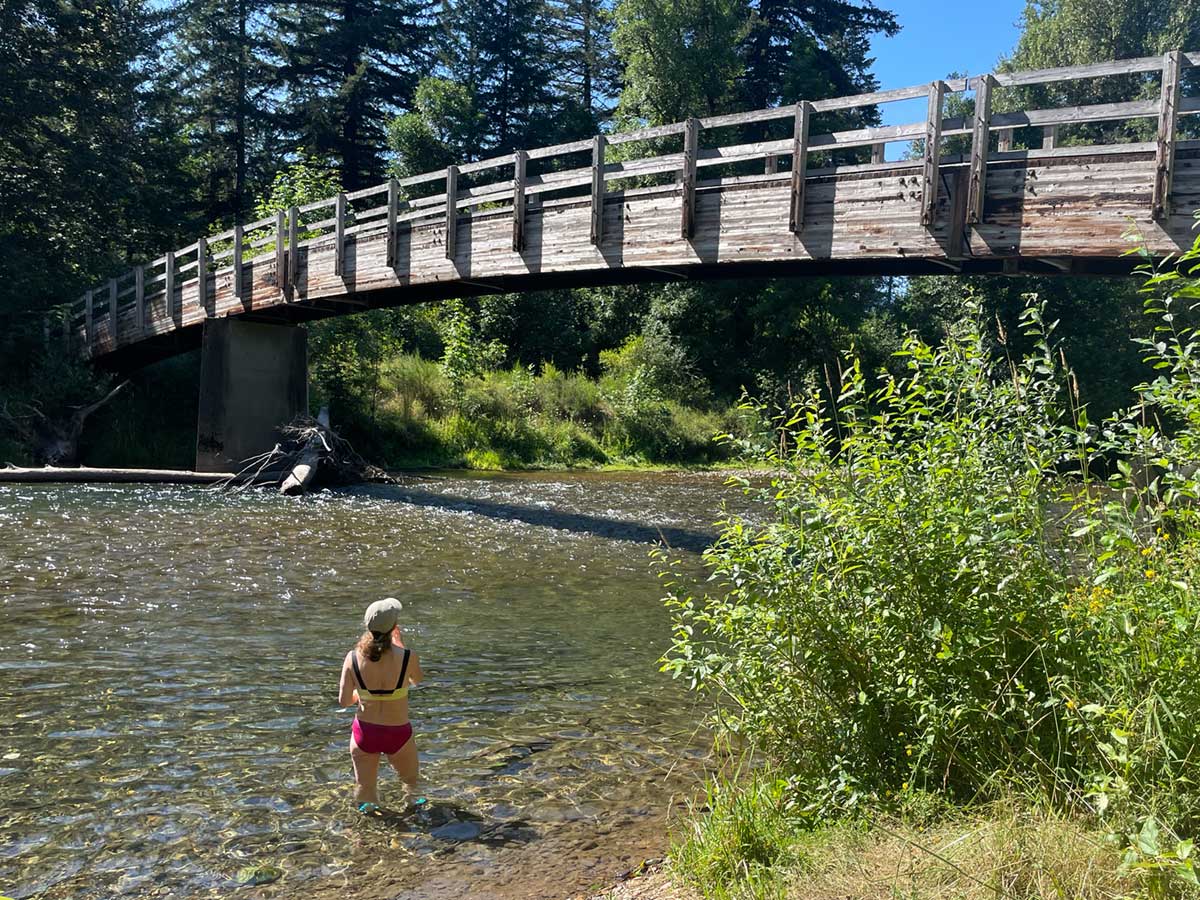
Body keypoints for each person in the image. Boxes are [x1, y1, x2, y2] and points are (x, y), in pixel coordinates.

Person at [339, 597, 423, 812]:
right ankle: (416, 823)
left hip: (365, 733)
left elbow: (344, 701)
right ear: (394, 627)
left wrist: (362, 695)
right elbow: (416, 680)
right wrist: (400, 644)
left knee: (365, 789)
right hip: (398, 732)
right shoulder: (407, 656)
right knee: (411, 784)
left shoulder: (352, 658)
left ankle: (367, 833)